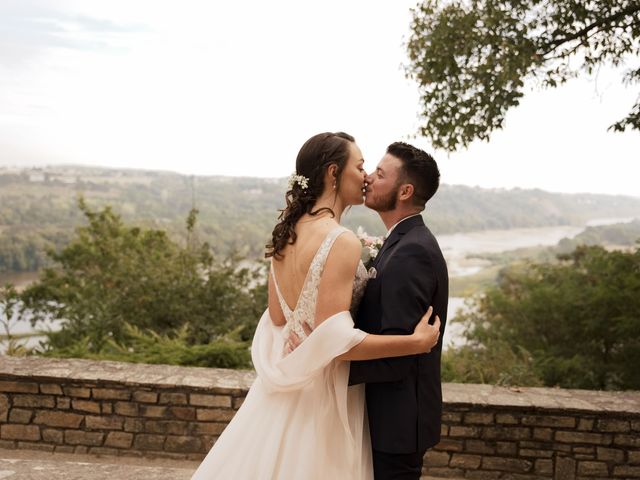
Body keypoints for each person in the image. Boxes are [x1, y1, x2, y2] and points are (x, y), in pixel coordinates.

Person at [190, 132, 441, 480]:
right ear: (334, 174)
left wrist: (301, 343)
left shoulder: (286, 233)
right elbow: (335, 339)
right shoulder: (341, 239)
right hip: (325, 395)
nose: (365, 176)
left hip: (285, 393)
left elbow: (278, 319)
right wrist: (415, 343)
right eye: (361, 166)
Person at [349, 142, 449, 479]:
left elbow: (398, 354)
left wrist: (330, 369)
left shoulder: (412, 252)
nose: (368, 179)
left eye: (379, 174)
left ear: (404, 190)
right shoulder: (400, 241)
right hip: (386, 416)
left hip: (396, 423)